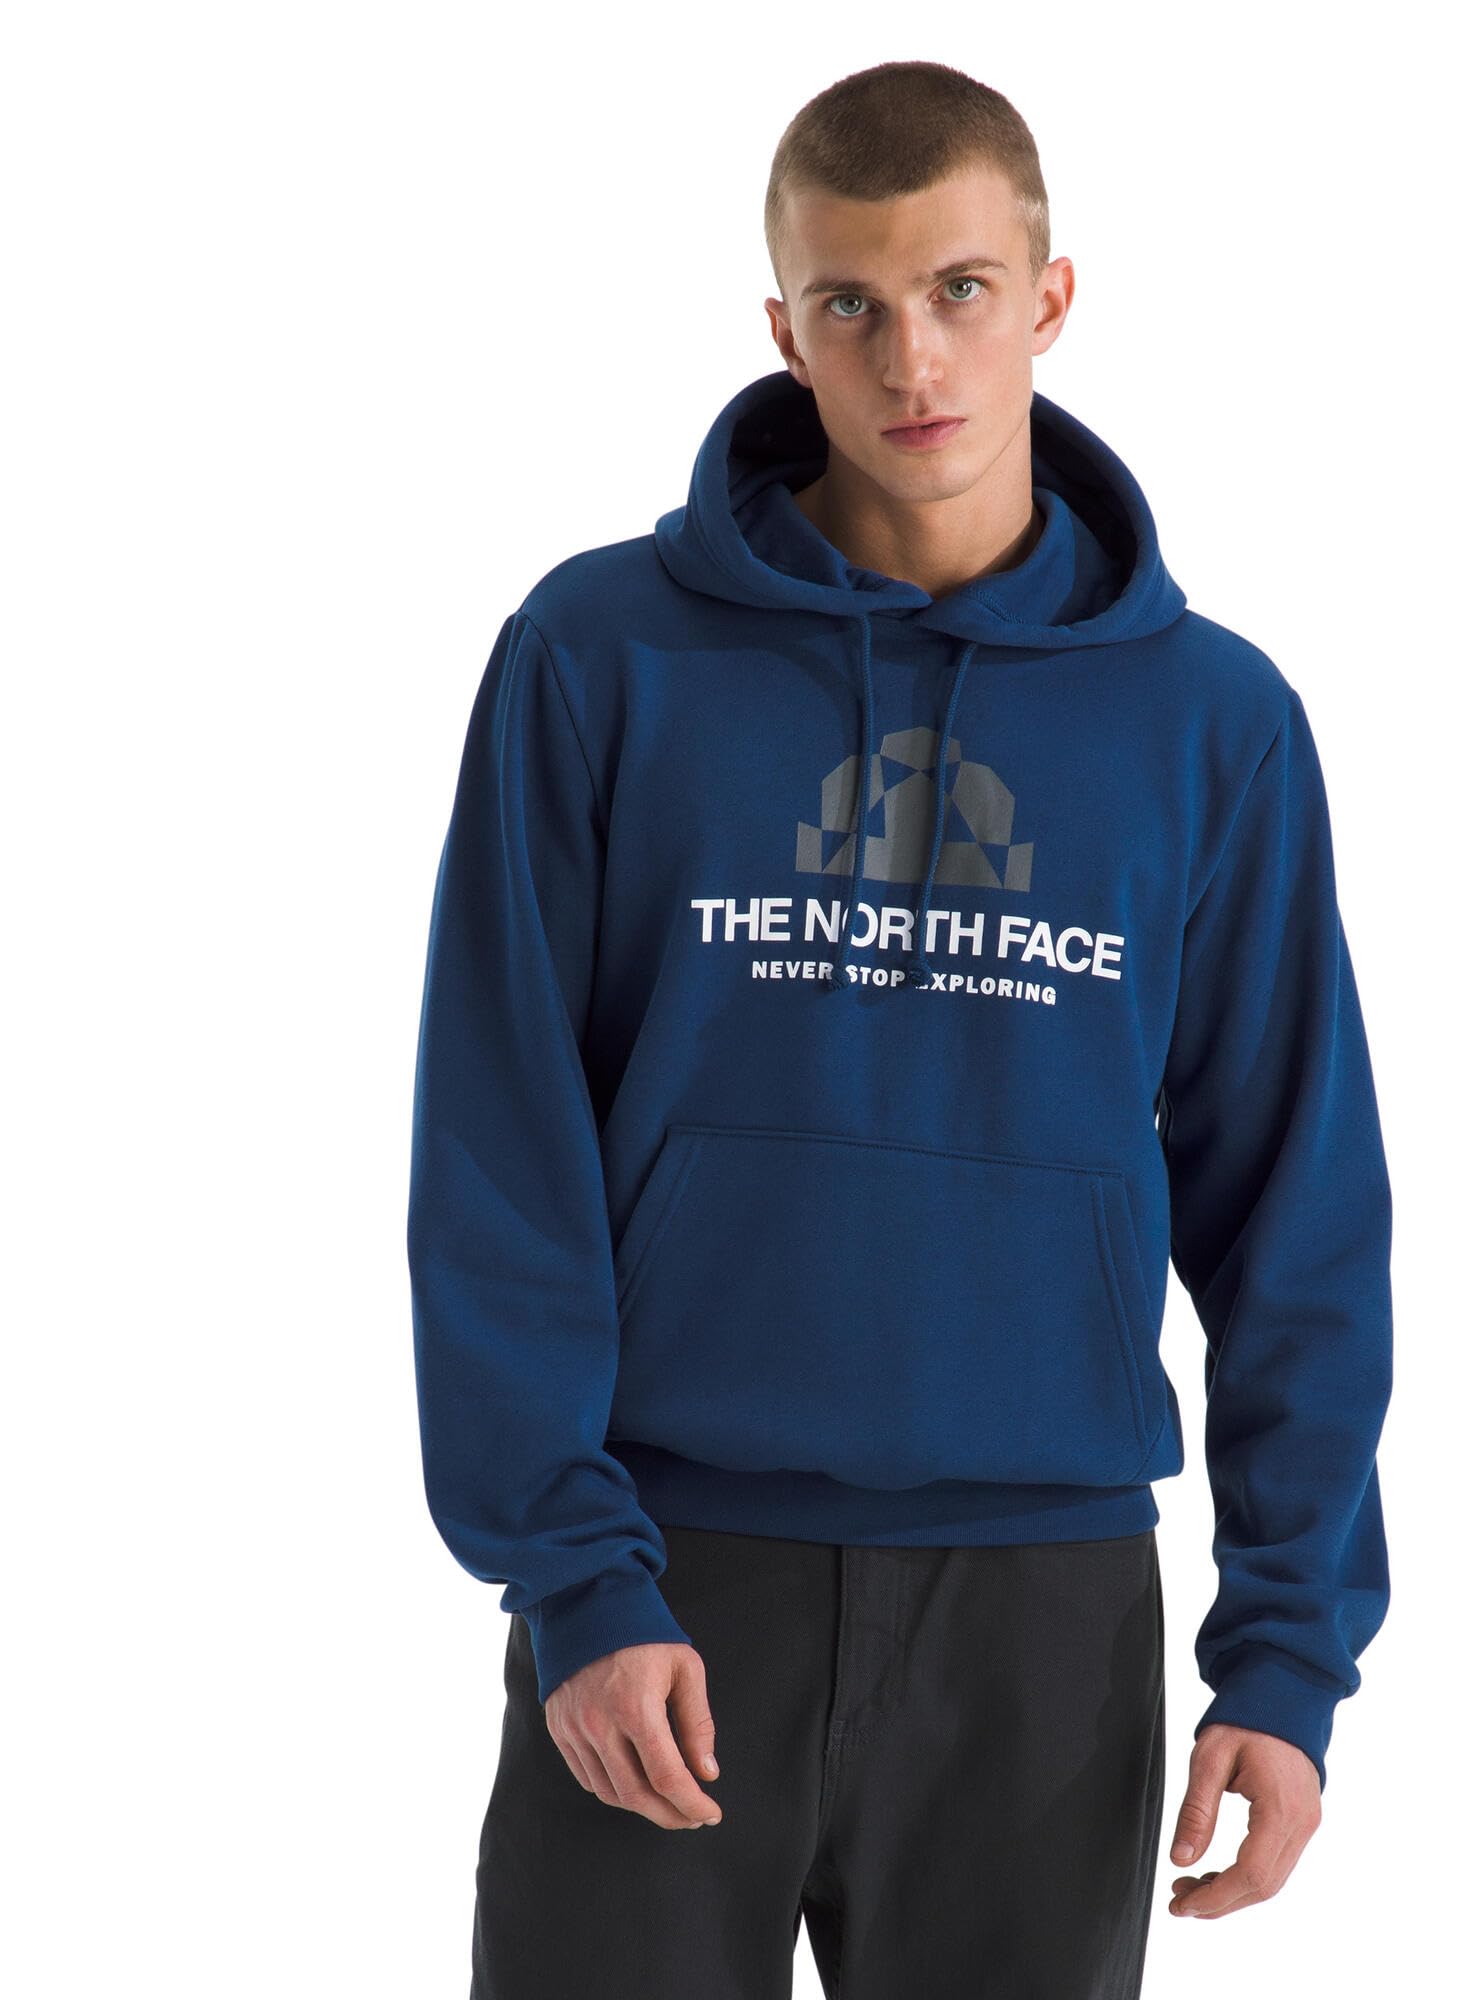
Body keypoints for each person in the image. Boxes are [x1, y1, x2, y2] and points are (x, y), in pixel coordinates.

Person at [407, 57, 1393, 2000]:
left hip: (1042, 1617)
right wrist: (574, 1573)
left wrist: (1286, 1655)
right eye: (848, 304)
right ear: (782, 330)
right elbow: (496, 1146)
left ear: (1049, 298)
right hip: (663, 1582)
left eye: (957, 289)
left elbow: (1297, 1212)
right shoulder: (597, 659)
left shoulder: (1211, 724)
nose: (909, 358)